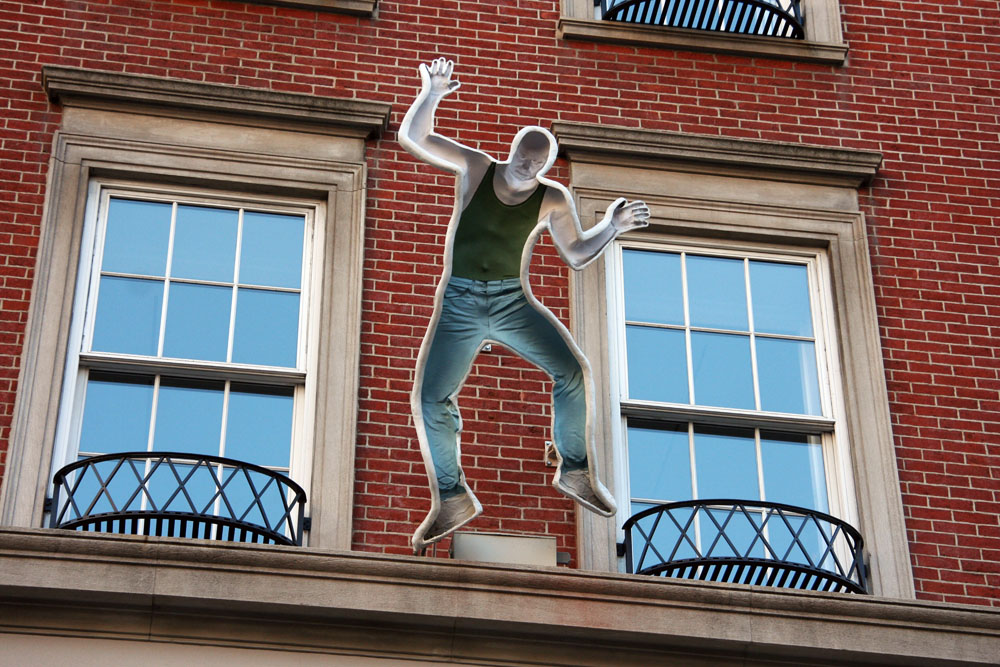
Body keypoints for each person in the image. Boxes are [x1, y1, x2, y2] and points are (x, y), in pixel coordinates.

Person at [399, 57, 651, 552]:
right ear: (512, 149)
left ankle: (576, 470)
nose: (527, 167)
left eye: (537, 163)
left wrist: (611, 228)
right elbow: (418, 139)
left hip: (513, 302)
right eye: (523, 156)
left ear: (546, 167)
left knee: (572, 371)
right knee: (432, 397)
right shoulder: (476, 167)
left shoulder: (552, 199)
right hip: (462, 302)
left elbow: (577, 253)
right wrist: (432, 94)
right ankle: (452, 496)